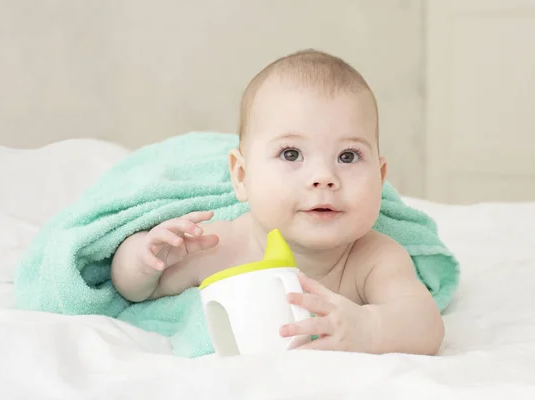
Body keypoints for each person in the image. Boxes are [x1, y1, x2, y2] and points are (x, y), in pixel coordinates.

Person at [111, 49, 444, 355]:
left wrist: (370, 328)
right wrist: (144, 260)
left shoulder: (372, 259)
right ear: (242, 176)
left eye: (348, 155)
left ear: (380, 176)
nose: (324, 176)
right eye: (291, 153)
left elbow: (425, 325)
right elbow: (137, 291)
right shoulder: (219, 245)